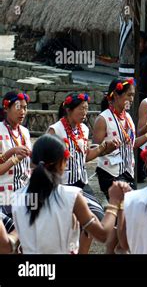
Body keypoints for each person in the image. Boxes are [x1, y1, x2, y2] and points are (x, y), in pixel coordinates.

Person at [11, 134, 126, 254]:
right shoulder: (71, 196)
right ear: (61, 163)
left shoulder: (17, 197)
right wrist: (114, 202)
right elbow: (102, 234)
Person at [47, 92, 120, 253]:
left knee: (94, 221)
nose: (84, 113)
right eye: (81, 109)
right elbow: (45, 160)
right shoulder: (56, 130)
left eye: (86, 109)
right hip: (62, 185)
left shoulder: (84, 129)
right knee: (65, 228)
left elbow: (85, 156)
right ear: (68, 110)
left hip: (82, 183)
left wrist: (102, 148)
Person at [94, 78, 147, 200]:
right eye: (129, 95)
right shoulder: (103, 119)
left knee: (129, 210)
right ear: (116, 95)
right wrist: (106, 147)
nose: (132, 100)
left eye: (133, 96)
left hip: (128, 172)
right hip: (109, 173)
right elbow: (94, 150)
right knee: (125, 208)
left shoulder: (127, 117)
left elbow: (132, 144)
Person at [0, 92, 32, 219]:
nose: (23, 111)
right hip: (4, 196)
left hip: (24, 192)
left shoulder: (24, 132)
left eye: (25, 107)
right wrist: (14, 155)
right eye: (19, 107)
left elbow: (29, 165)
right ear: (6, 108)